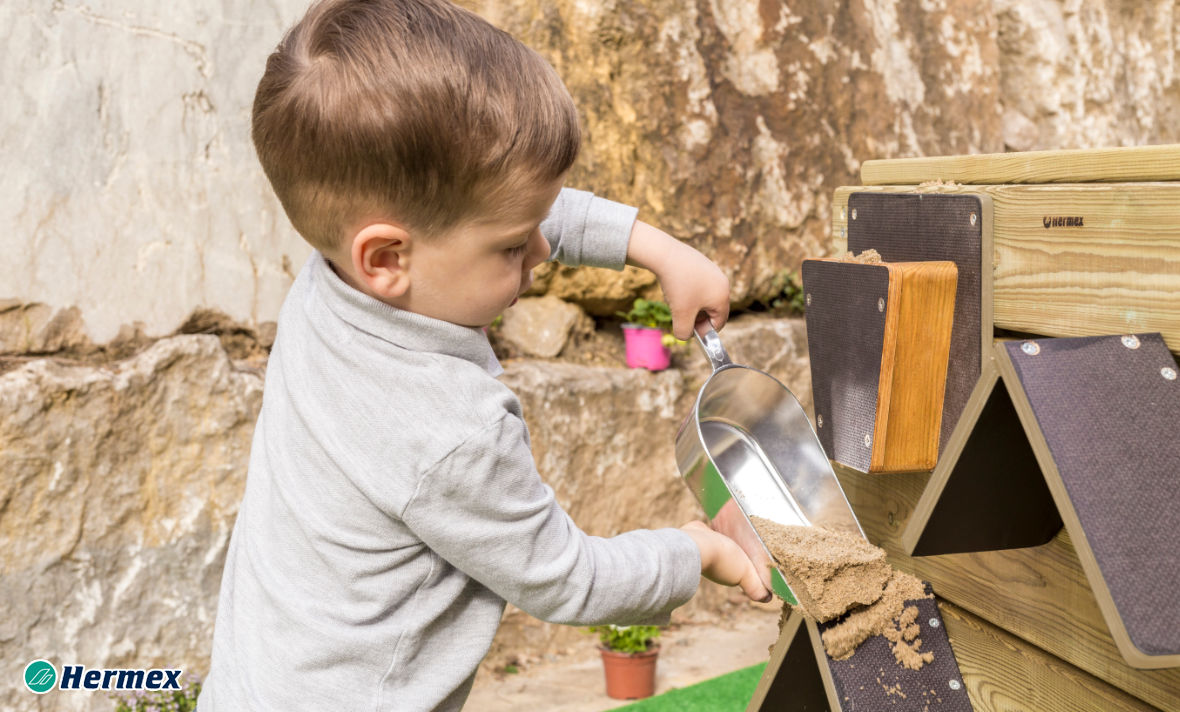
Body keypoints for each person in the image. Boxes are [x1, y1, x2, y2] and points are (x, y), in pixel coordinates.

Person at [198, 1, 769, 709]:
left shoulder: (329, 283)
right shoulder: (448, 430)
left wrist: (656, 249)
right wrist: (696, 551)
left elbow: (506, 206)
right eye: (510, 247)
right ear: (385, 257)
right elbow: (567, 578)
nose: (538, 252)